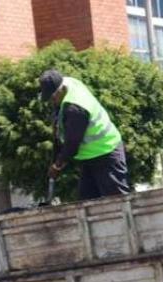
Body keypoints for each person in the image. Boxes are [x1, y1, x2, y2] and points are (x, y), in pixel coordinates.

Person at [39, 70, 130, 201]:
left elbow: (72, 145)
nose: (52, 102)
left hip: (107, 152)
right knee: (87, 201)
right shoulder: (69, 83)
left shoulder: (76, 109)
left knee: (117, 200)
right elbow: (60, 131)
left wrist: (57, 166)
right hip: (90, 157)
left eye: (53, 97)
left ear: (61, 89)